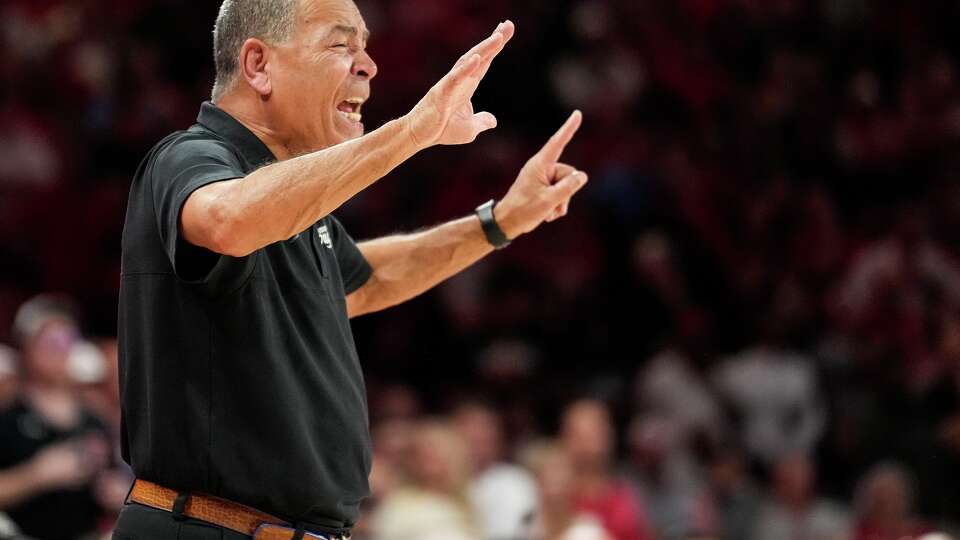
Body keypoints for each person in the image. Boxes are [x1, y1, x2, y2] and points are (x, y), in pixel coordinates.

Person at [114, 0, 590, 538]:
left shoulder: (296, 200)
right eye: (341, 45)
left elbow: (367, 281)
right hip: (207, 527)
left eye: (365, 46)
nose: (368, 65)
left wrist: (499, 222)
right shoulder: (188, 158)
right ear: (258, 65)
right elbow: (228, 220)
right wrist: (411, 133)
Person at [0, 295, 113, 540]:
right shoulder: (8, 413)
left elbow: (113, 481)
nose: (61, 349)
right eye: (50, 341)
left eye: (68, 340)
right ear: (27, 347)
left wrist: (116, 492)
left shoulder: (94, 415)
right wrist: (37, 474)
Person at [559, 400, 655, 540]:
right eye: (578, 436)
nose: (585, 445)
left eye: (593, 435)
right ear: (563, 439)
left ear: (609, 437)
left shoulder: (628, 500)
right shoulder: (551, 498)